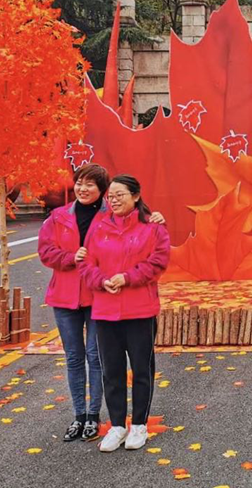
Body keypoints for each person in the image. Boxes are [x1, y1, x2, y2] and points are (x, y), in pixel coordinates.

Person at [37, 164, 164, 444]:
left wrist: (125, 276)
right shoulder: (60, 217)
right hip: (74, 295)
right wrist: (74, 260)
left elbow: (151, 245)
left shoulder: (119, 218)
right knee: (77, 357)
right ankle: (81, 416)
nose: (83, 188)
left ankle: (101, 417)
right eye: (79, 183)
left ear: (102, 190)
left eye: (91, 184)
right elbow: (49, 252)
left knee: (103, 360)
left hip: (105, 300)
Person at [80, 174, 170, 453]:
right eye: (111, 196)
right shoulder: (99, 227)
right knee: (112, 371)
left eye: (120, 195)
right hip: (105, 310)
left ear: (136, 196)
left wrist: (127, 277)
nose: (114, 200)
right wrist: (101, 280)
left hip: (139, 308)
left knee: (142, 369)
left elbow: (158, 262)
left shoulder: (153, 228)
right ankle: (117, 425)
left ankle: (139, 425)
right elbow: (86, 264)